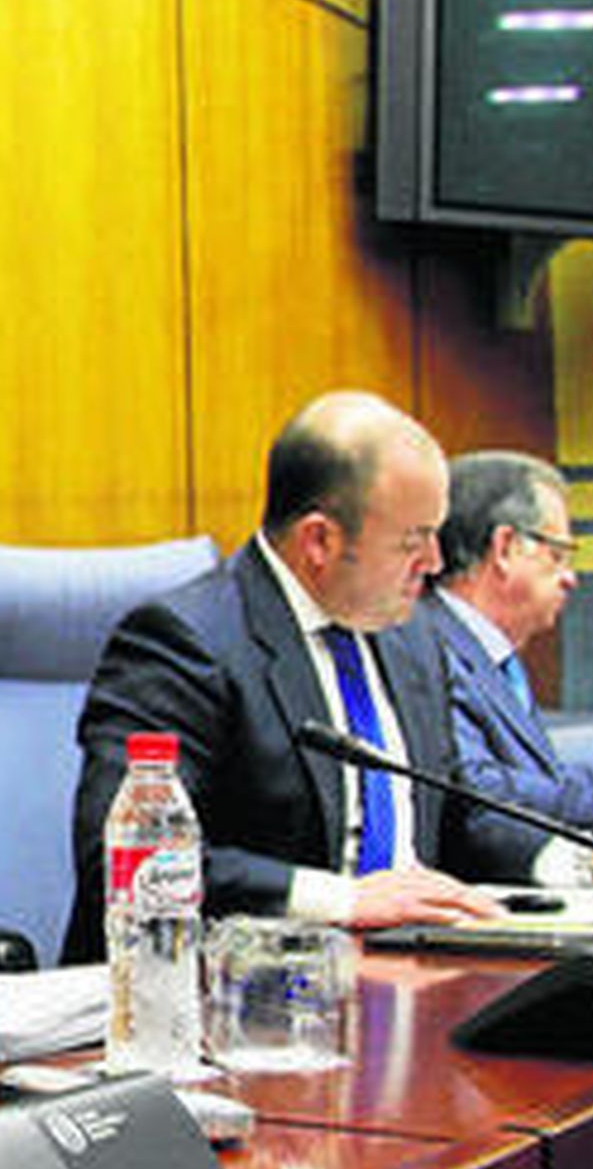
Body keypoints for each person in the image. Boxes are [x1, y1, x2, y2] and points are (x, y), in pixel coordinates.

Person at [63, 390, 505, 963]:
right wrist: (344, 900)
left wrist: (578, 864)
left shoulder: (412, 637)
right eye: (411, 541)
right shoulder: (183, 642)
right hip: (233, 982)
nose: (436, 562)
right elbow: (131, 860)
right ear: (319, 540)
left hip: (409, 968)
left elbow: (459, 817)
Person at [417, 450, 593, 883]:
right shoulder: (423, 649)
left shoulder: (496, 659)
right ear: (505, 548)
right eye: (559, 555)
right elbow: (475, 798)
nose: (571, 578)